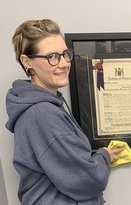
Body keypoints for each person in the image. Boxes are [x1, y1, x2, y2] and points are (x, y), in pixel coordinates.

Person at [5, 19, 124, 205]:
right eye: (52, 56)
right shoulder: (42, 114)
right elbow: (88, 180)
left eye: (65, 54)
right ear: (27, 62)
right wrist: (103, 156)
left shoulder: (46, 105)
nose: (63, 64)